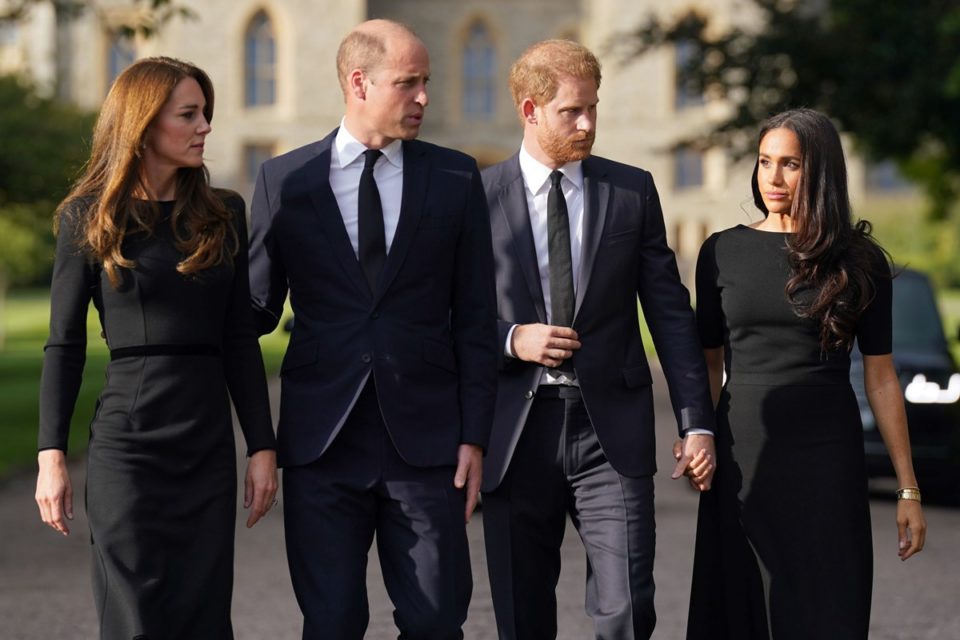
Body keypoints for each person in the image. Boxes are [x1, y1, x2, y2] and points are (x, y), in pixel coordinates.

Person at [247, 19, 497, 639]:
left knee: (437, 620)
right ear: (359, 82)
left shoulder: (456, 176)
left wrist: (475, 437)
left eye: (426, 82)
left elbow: (475, 318)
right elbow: (251, 313)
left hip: (428, 445)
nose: (424, 98)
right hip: (320, 443)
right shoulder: (285, 181)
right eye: (408, 82)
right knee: (331, 623)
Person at [479, 39, 717, 640]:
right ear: (530, 110)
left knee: (629, 610)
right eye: (571, 112)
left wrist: (696, 420)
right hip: (514, 433)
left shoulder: (631, 192)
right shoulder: (475, 199)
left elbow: (669, 313)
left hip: (609, 433)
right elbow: (443, 316)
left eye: (593, 109)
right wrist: (511, 339)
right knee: (521, 615)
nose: (587, 124)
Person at [34, 57, 278, 638]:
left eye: (206, 114)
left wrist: (262, 447)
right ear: (143, 125)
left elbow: (240, 340)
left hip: (206, 443)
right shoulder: (86, 218)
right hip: (128, 447)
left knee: (203, 613)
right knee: (134, 618)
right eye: (189, 115)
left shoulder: (225, 215)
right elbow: (64, 345)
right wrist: (51, 457)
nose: (204, 128)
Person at [687, 108, 927, 640]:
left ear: (820, 170)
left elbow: (882, 378)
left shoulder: (859, 259)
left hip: (828, 457)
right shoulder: (721, 251)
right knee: (741, 602)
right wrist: (696, 436)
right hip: (742, 453)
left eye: (790, 164)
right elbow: (706, 364)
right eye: (765, 161)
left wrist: (908, 489)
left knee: (825, 606)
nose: (772, 178)